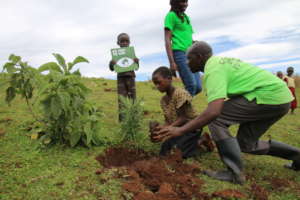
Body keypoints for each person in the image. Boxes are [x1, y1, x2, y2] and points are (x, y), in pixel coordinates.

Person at [153, 41, 299, 184]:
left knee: (217, 119)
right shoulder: (219, 63)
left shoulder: (213, 69)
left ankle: (235, 174)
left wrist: (180, 130)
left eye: (189, 58)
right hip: (281, 98)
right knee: (246, 144)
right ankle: (298, 156)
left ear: (199, 57)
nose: (186, 62)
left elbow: (214, 112)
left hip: (269, 95)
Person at [151, 66, 213, 158]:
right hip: (177, 129)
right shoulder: (163, 100)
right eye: (155, 84)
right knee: (165, 148)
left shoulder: (180, 93)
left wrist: (167, 130)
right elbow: (168, 121)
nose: (157, 86)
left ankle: (201, 141)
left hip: (191, 128)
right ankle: (195, 142)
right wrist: (159, 132)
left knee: (180, 153)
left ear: (169, 79)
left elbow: (183, 118)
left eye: (159, 82)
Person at [164, 0, 201, 96]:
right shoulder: (171, 16)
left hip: (191, 54)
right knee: (191, 85)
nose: (185, 4)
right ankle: (183, 110)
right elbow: (167, 39)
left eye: (186, 2)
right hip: (180, 53)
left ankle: (176, 102)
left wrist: (196, 44)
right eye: (182, 2)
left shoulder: (186, 17)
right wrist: (172, 62)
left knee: (198, 88)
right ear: (175, 2)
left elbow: (188, 37)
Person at [109, 33, 139, 121]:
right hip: (120, 79)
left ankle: (134, 119)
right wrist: (112, 63)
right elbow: (111, 68)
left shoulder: (131, 54)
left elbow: (136, 68)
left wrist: (136, 62)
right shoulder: (116, 55)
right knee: (121, 99)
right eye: (122, 41)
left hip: (131, 78)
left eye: (126, 41)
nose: (124, 43)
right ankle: (122, 120)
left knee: (133, 98)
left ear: (129, 42)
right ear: (118, 43)